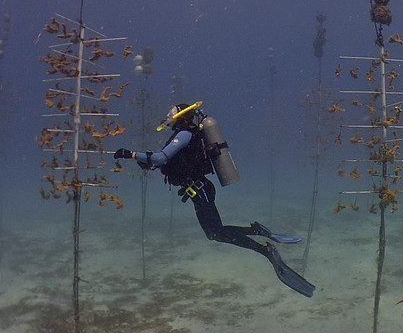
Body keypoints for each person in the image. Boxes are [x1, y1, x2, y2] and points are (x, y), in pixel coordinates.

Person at [114, 102, 315, 297]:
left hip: (200, 190)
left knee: (217, 232)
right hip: (198, 191)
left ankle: (264, 249)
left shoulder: (185, 134)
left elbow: (159, 158)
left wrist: (130, 154)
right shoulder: (184, 135)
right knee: (215, 233)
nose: (167, 117)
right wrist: (142, 160)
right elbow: (162, 162)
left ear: (179, 117)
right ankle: (258, 234)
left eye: (170, 114)